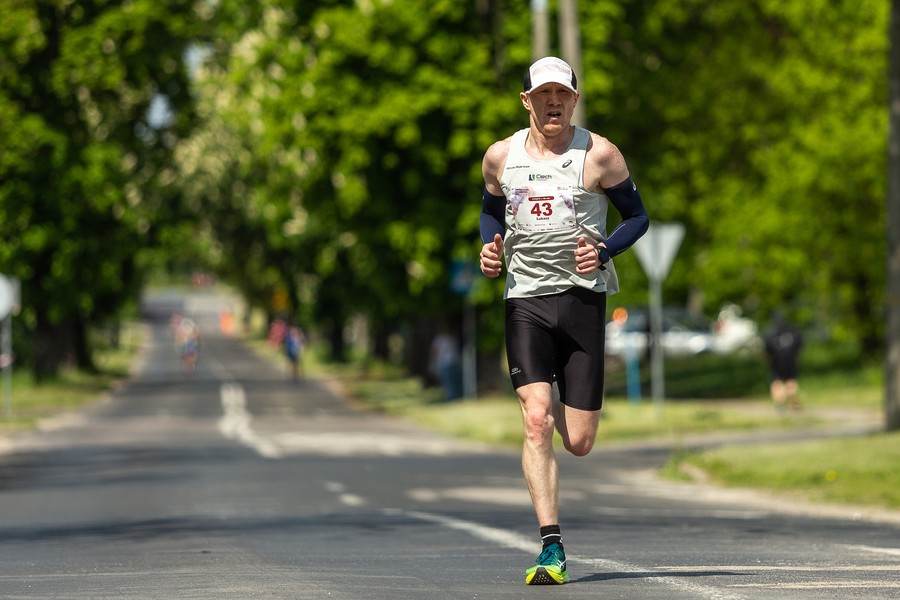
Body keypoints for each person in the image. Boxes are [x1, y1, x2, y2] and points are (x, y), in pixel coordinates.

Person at [478, 56, 649, 585]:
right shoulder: (500, 156)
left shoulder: (599, 155)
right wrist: (490, 245)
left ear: (574, 99)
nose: (553, 102)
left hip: (581, 301)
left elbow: (637, 217)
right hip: (525, 299)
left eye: (562, 94)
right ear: (526, 101)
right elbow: (489, 210)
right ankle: (551, 546)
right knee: (536, 419)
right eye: (542, 94)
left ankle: (558, 404)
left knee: (579, 441)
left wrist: (604, 250)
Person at [763, 313, 803, 411]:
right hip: (791, 361)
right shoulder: (792, 332)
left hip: (776, 362)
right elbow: (800, 345)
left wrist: (769, 361)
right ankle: (794, 403)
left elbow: (767, 351)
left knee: (776, 382)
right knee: (791, 381)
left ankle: (780, 404)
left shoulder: (771, 333)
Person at [429, 325, 463, 401]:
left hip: (445, 363)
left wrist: (433, 363)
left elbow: (434, 352)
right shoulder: (450, 338)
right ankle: (454, 396)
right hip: (451, 362)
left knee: (448, 381)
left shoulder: (439, 339)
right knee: (452, 381)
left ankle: (452, 397)